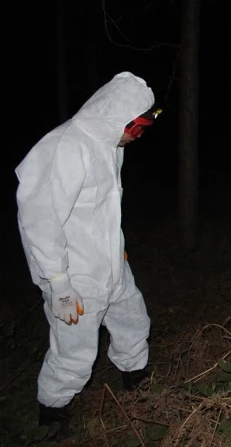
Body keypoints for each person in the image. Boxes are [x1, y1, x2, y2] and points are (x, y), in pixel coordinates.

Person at [15, 72, 159, 435]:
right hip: (74, 275)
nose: (138, 136)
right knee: (75, 353)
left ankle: (135, 380)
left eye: (145, 126)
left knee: (133, 321)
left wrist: (118, 252)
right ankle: (52, 409)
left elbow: (102, 214)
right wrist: (59, 283)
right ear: (116, 115)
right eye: (138, 126)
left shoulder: (108, 145)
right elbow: (39, 220)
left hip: (110, 266)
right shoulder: (66, 146)